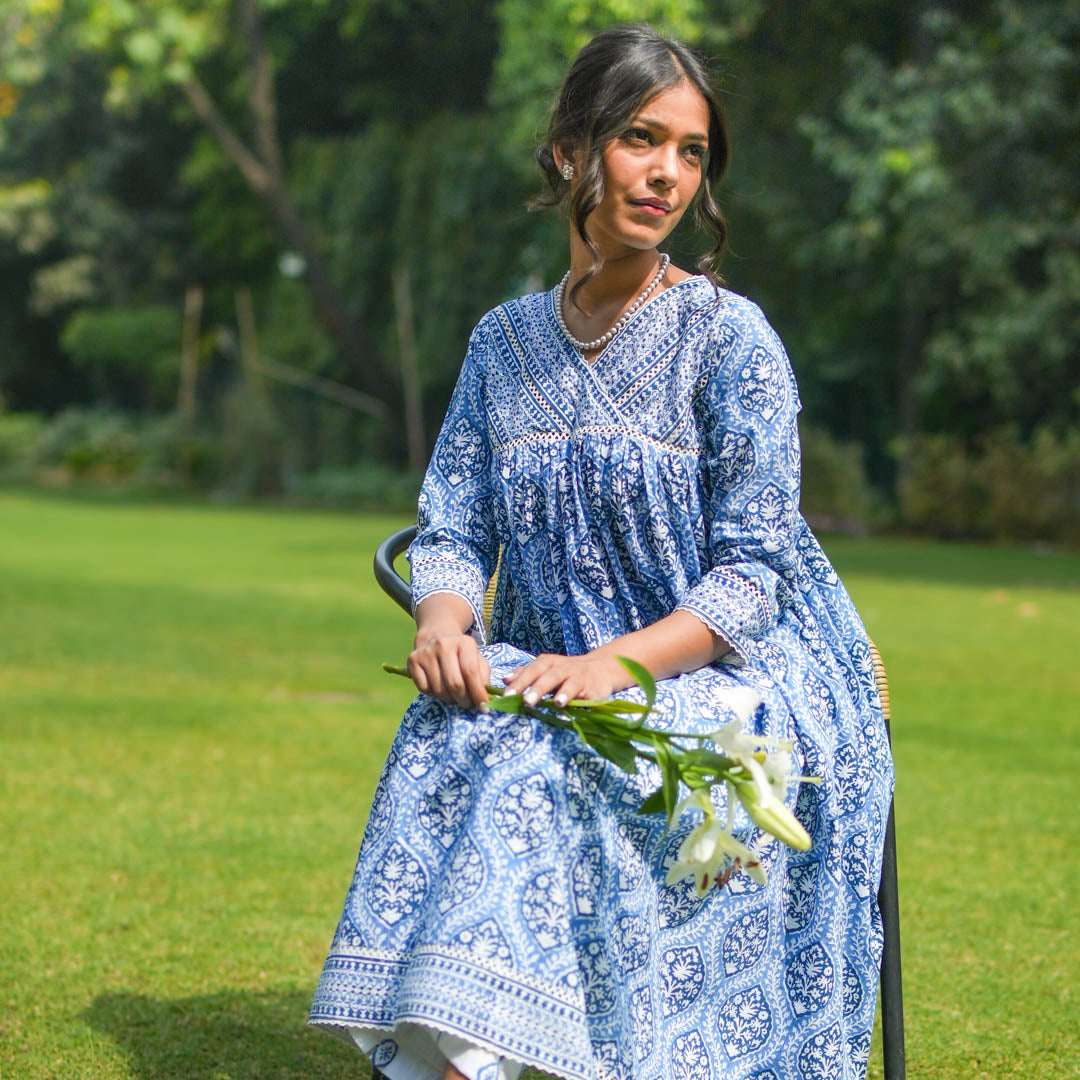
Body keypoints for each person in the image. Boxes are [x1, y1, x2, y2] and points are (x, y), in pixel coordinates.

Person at [309, 23, 893, 1080]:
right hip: (549, 666)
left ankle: (464, 1063)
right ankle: (468, 1051)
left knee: (541, 757)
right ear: (571, 150)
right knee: (452, 731)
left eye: (692, 152)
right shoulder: (502, 343)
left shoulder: (731, 338)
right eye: (640, 138)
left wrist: (615, 664)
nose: (668, 173)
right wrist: (445, 622)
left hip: (730, 676)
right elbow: (452, 527)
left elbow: (754, 576)